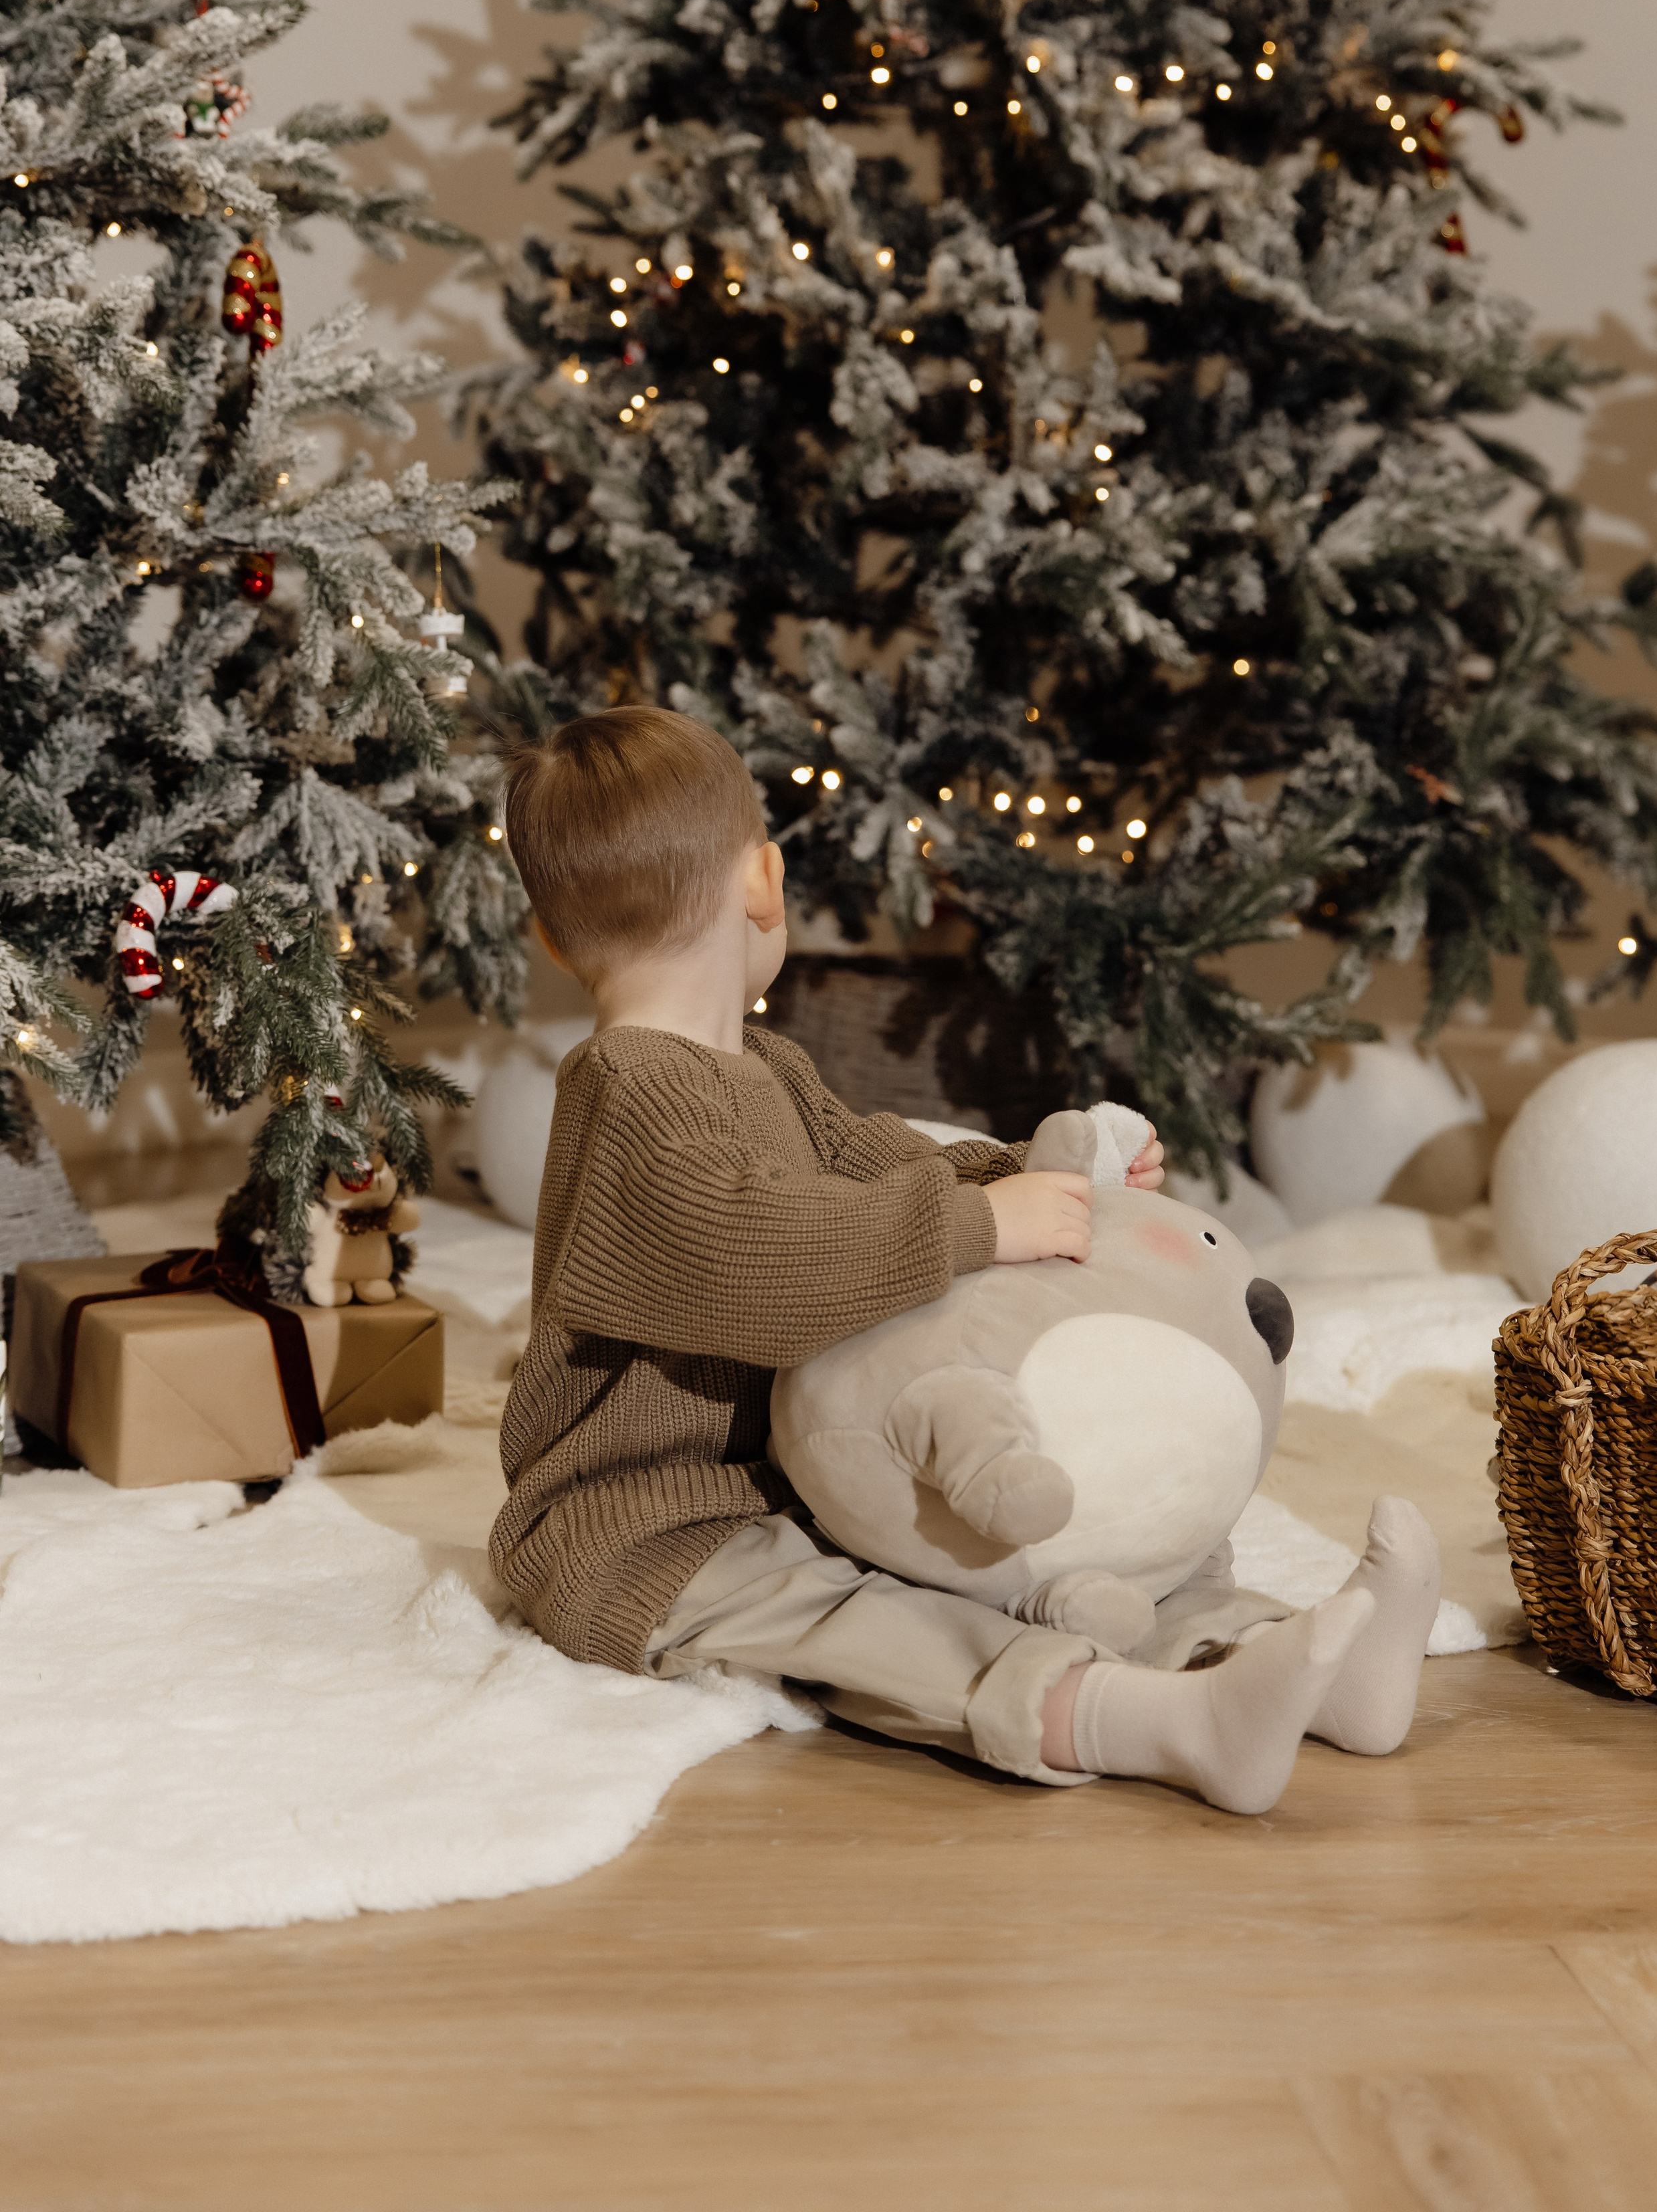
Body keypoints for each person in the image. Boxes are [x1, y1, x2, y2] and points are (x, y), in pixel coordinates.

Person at [490, 707, 1440, 1810]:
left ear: (551, 938)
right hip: (645, 1521)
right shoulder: (627, 1091)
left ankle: (1286, 1659)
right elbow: (757, 1257)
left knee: (1012, 1562)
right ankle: (1155, 1725)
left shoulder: (768, 1068)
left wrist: (1035, 1177)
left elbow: (883, 1163)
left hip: (795, 1481)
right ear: (765, 881)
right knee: (871, 1627)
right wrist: (983, 1228)